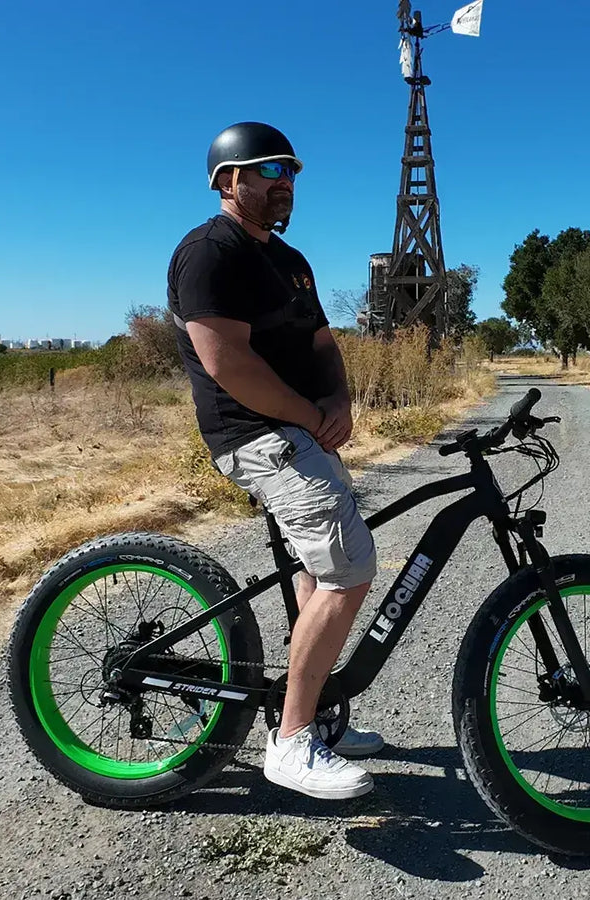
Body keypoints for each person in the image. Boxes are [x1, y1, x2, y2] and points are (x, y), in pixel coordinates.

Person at [165, 122, 381, 800]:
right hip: (255, 434)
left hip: (300, 430)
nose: (284, 180)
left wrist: (338, 399)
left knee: (322, 574)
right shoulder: (208, 252)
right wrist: (309, 416)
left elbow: (321, 342)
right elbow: (229, 363)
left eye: (290, 169)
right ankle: (289, 744)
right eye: (267, 169)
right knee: (348, 570)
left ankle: (308, 717)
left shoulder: (290, 261)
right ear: (228, 181)